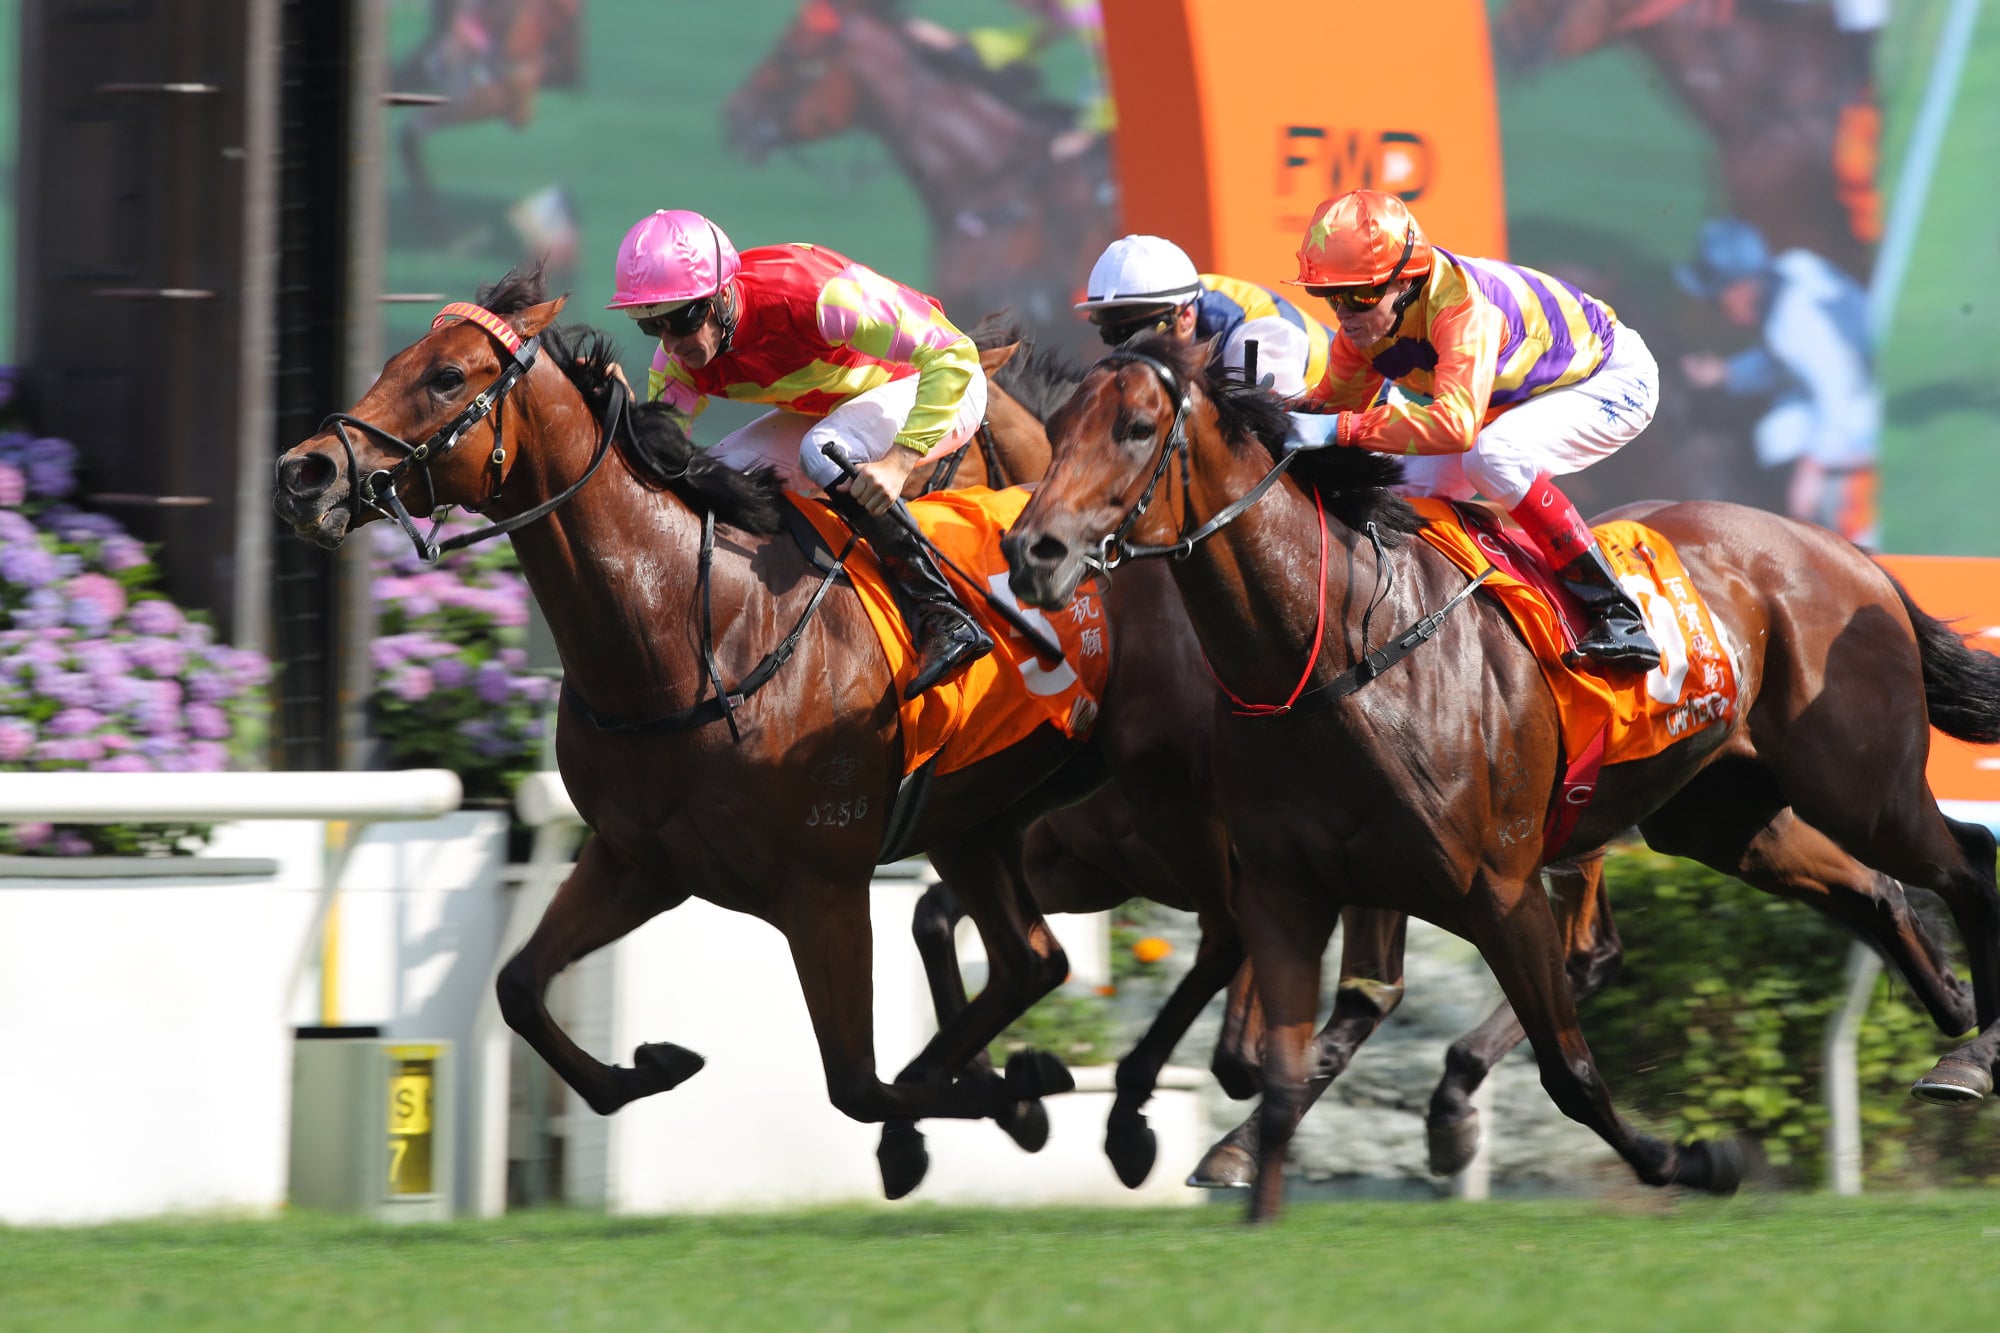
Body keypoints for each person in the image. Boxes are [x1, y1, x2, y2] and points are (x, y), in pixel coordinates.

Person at [607, 208, 992, 699]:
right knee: (717, 477)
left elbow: (954, 353)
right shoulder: (680, 361)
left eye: (682, 318)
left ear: (723, 295)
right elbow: (661, 464)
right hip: (837, 410)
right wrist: (616, 413)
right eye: (651, 326)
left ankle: (945, 614)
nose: (672, 342)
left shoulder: (814, 295)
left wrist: (897, 461)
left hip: (937, 386)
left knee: (824, 451)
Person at [1286, 189, 1662, 672]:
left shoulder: (1464, 311)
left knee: (1493, 456)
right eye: (1328, 295)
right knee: (1403, 484)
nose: (1343, 313)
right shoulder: (1365, 328)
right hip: (1509, 400)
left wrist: (1338, 428)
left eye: (1359, 296)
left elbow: (1454, 427)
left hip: (1611, 378)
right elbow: (1325, 409)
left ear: (1406, 280)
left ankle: (1618, 614)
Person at [1677, 217, 1881, 547]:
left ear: (1739, 289)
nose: (1717, 308)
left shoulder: (1793, 325)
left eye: (1717, 298)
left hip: (1863, 415)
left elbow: (1839, 393)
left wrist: (1809, 472)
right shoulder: (1796, 267)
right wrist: (1726, 373)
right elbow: (1786, 363)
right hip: (1866, 385)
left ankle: (1837, 536)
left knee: (1779, 438)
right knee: (1781, 426)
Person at [1074, 234, 1341, 401]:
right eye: (1114, 334)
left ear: (1186, 317)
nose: (1131, 350)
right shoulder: (1179, 292)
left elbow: (1273, 448)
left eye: (1143, 334)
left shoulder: (1254, 339)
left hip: (1368, 413)